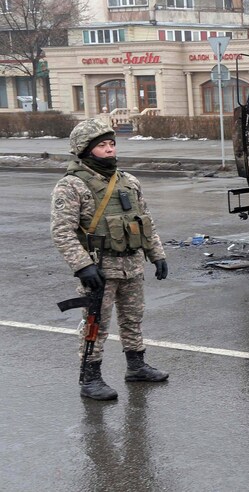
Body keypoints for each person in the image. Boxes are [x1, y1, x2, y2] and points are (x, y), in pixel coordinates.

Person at [50, 119, 169, 401]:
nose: (109, 150)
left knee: (133, 319)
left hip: (131, 265)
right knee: (96, 325)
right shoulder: (71, 186)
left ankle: (137, 366)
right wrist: (82, 265)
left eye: (111, 144)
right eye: (101, 145)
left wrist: (157, 255)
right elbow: (62, 231)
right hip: (99, 269)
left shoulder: (128, 182)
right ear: (85, 150)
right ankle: (90, 378)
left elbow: (145, 221)